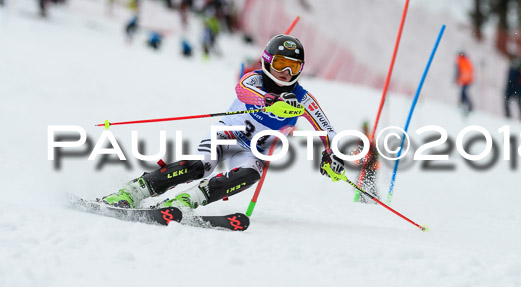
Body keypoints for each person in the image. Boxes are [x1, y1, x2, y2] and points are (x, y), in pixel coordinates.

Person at [102, 35, 345, 210]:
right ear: (268, 61)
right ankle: (134, 190)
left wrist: (332, 157)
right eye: (281, 64)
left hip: (252, 150)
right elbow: (242, 91)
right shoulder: (255, 80)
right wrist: (270, 101)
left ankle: (189, 200)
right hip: (226, 136)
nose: (286, 73)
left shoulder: (303, 99)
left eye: (294, 67)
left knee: (250, 174)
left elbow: (328, 131)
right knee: (202, 165)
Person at [504, 55, 521, 121]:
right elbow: (509, 80)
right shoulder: (513, 68)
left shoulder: (519, 69)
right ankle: (509, 115)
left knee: (519, 102)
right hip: (513, 88)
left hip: (517, 88)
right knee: (511, 101)